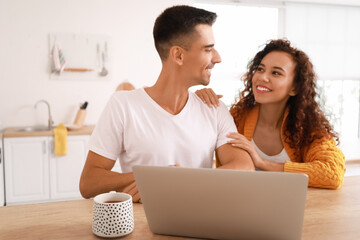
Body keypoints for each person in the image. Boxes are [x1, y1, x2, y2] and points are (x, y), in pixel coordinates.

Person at [79, 5, 254, 202]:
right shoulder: (123, 105)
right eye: (208, 49)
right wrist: (153, 179)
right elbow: (88, 183)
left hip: (200, 217)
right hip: (142, 224)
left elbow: (244, 167)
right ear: (178, 55)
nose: (218, 58)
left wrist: (183, 180)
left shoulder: (214, 108)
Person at [196, 39, 346, 189]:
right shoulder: (236, 118)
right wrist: (197, 100)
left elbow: (333, 173)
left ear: (294, 88)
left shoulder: (307, 128)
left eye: (276, 73)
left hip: (291, 206)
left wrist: (262, 163)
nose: (262, 77)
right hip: (241, 203)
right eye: (260, 69)